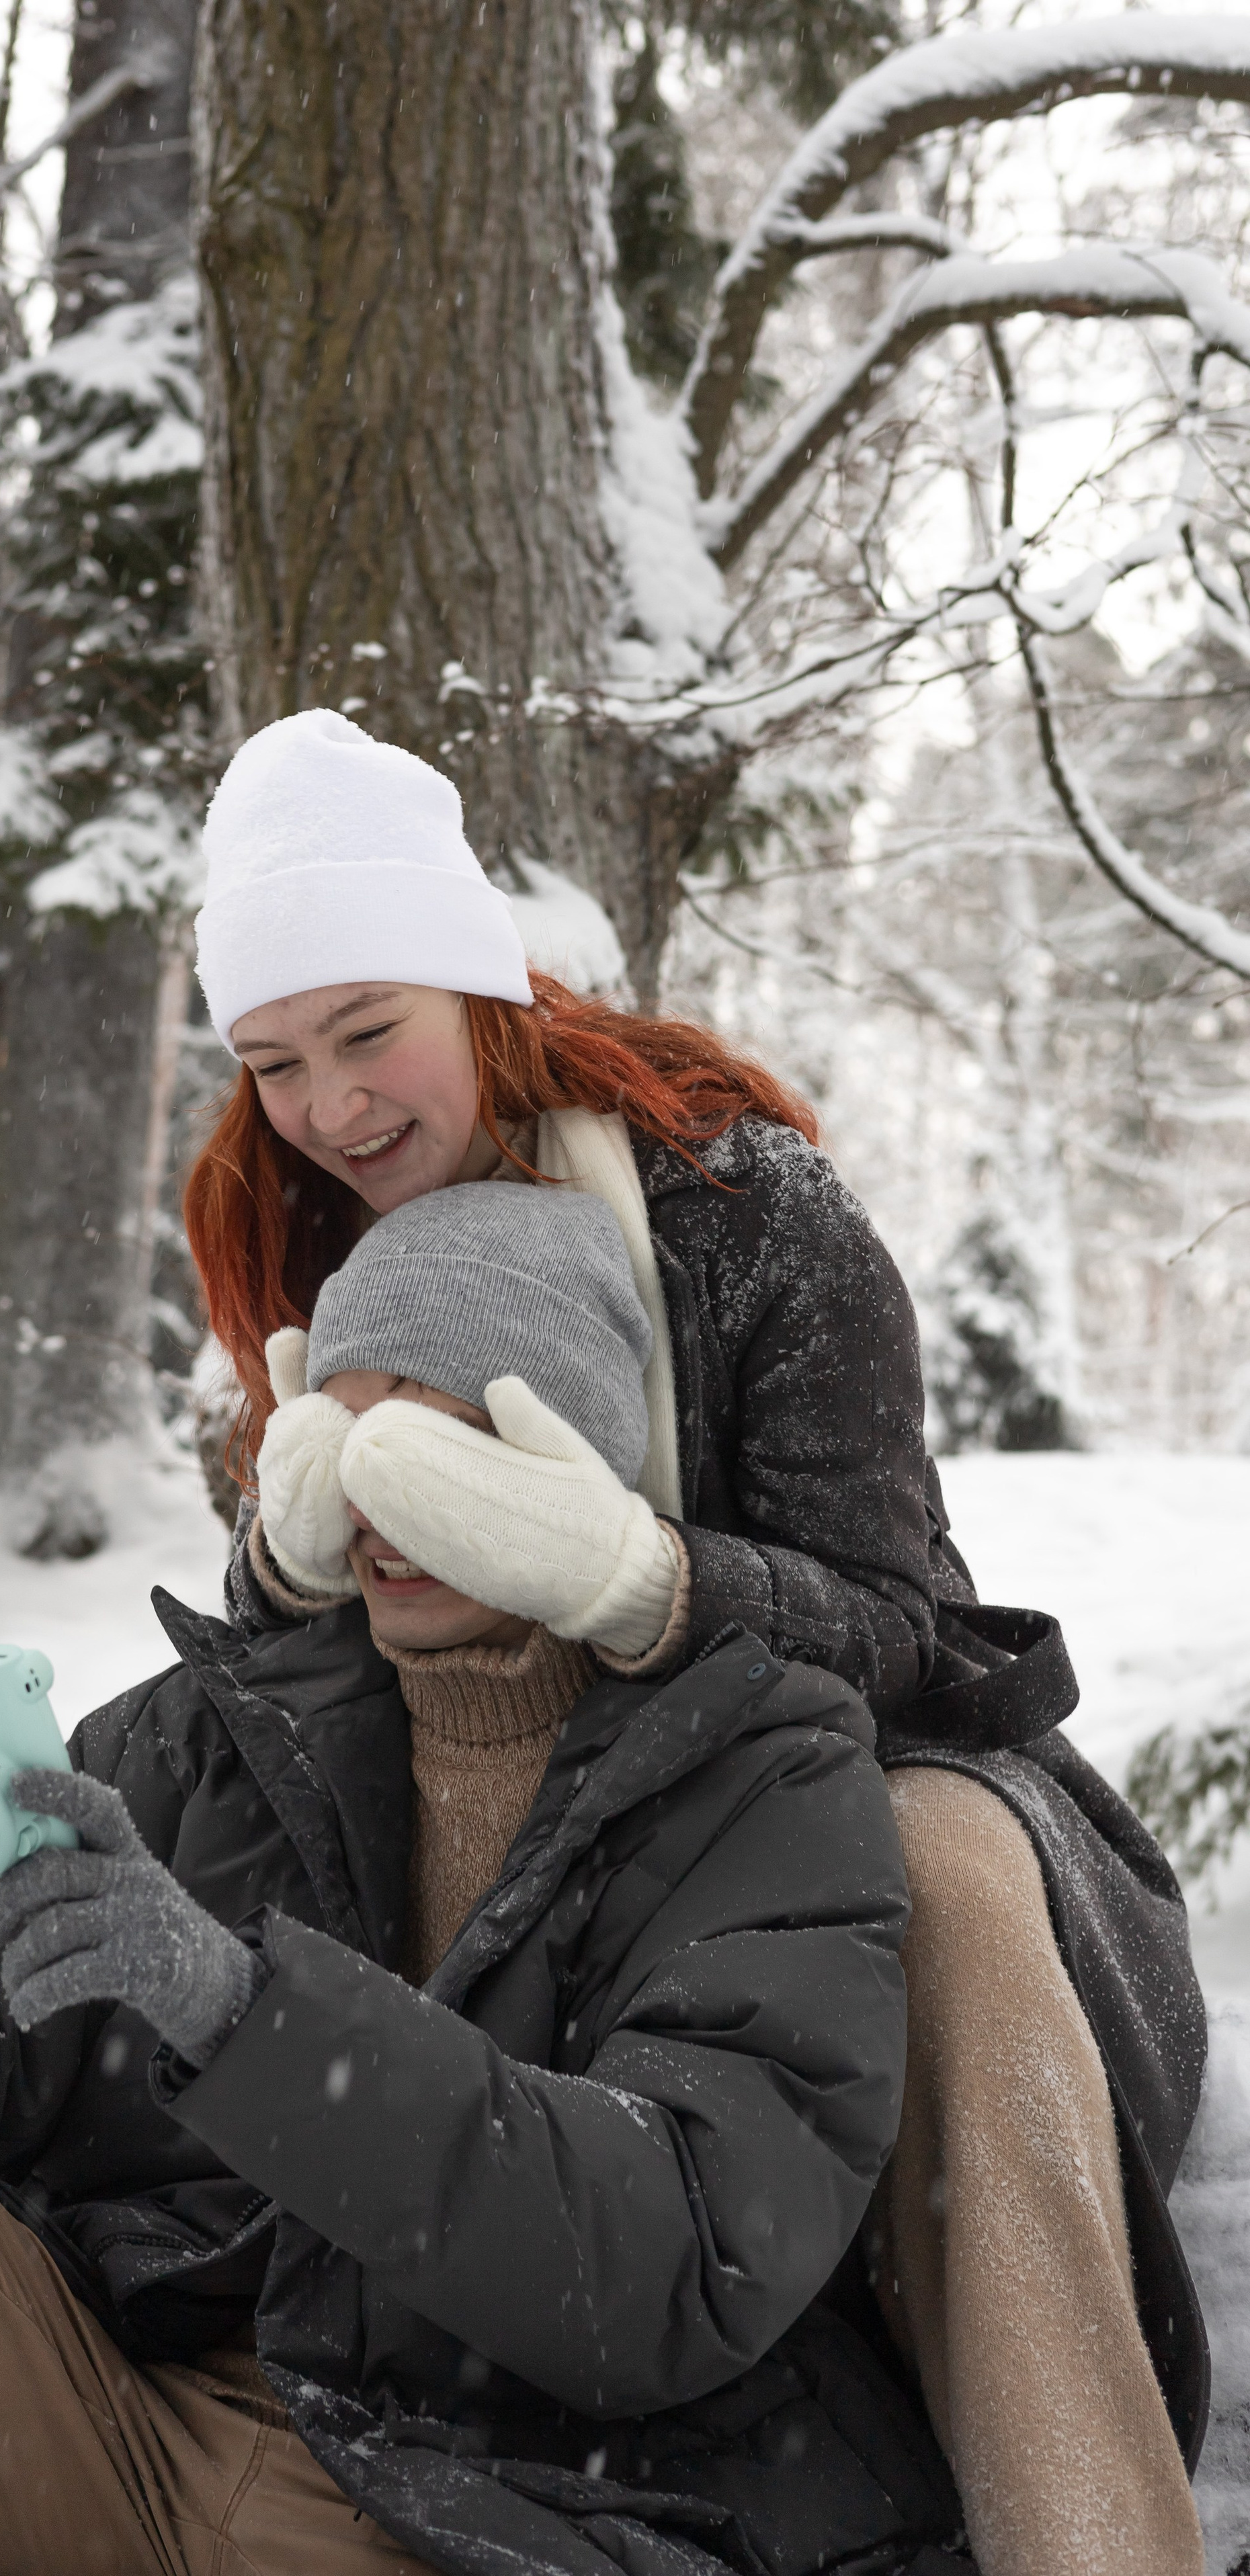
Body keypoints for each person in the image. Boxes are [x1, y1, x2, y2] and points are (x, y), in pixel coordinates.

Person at [0, 1187, 948, 2576]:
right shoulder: (234, 1720)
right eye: (341, 1433)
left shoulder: (761, 1784)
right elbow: (20, 2084)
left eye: (438, 1443)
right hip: (111, 2435)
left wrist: (245, 2015)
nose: (378, 1507)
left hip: (481, 2507)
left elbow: (673, 2263)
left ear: (570, 1458)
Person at [181, 707, 1210, 2576]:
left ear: (481, 982)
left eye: (367, 1032)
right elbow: (293, 1688)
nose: (328, 1106)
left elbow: (930, 1635)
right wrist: (283, 1566)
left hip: (856, 1792)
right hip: (555, 1828)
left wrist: (649, 1583)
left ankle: (1091, 2537)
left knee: (942, 1869)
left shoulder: (745, 1211)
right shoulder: (287, 1228)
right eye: (273, 1060)